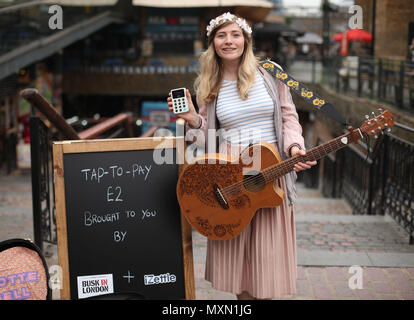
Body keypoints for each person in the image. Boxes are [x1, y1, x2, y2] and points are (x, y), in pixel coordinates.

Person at [167, 12, 317, 300]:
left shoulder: (272, 72)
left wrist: (295, 147)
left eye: (235, 34)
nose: (229, 41)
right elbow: (206, 137)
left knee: (266, 260)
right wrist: (192, 120)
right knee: (241, 268)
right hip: (230, 176)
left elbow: (289, 116)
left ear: (246, 40)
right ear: (212, 43)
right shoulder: (208, 85)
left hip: (271, 168)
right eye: (221, 35)